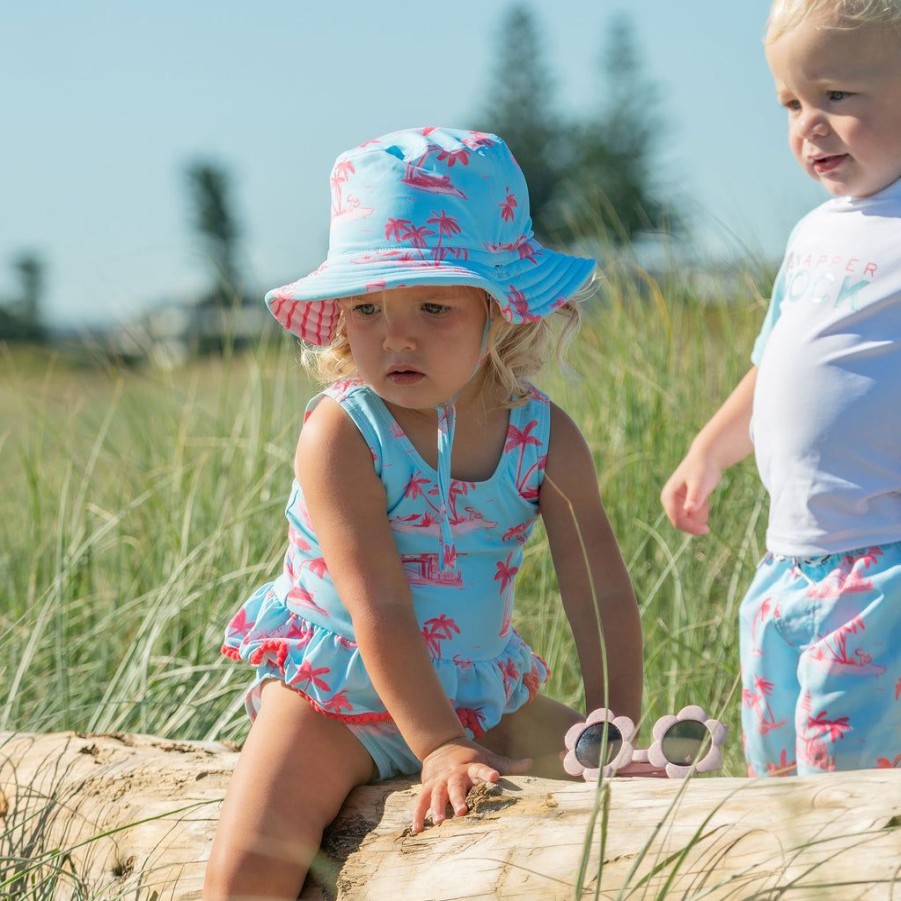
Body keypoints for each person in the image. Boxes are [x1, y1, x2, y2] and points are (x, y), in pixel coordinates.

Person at [203, 126, 645, 900]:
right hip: (337, 696)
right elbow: (378, 609)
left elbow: (599, 590)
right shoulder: (345, 432)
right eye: (367, 306)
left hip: (481, 691)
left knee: (624, 803)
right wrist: (438, 745)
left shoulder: (543, 436)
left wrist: (616, 725)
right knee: (245, 874)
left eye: (432, 305)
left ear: (499, 310)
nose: (393, 335)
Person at [661, 0, 901, 777]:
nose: (809, 125)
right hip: (786, 562)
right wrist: (708, 449)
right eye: (792, 104)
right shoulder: (814, 232)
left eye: (836, 96)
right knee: (776, 784)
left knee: (851, 790)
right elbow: (774, 365)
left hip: (879, 563)